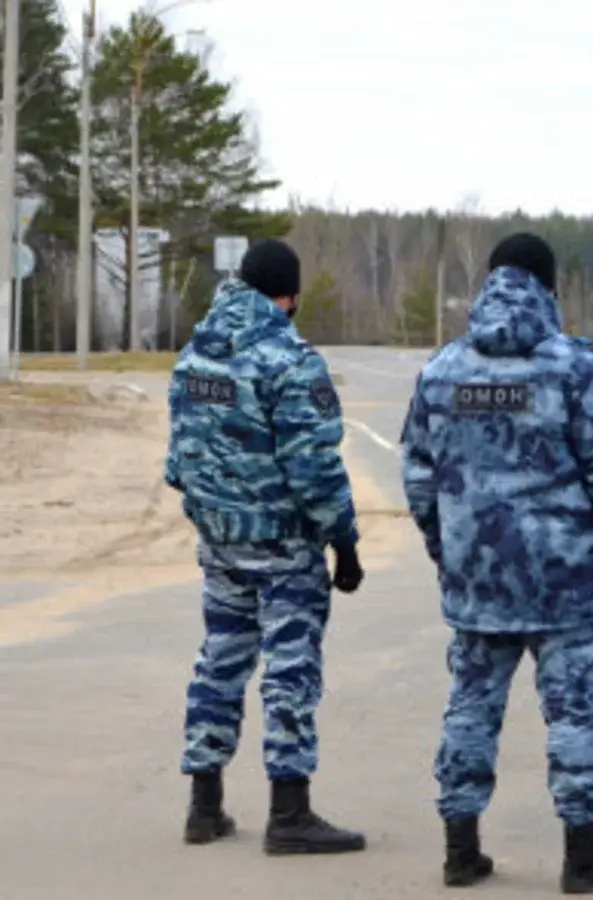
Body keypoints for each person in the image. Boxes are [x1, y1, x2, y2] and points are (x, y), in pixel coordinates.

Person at [401, 232, 593, 893]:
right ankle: (582, 855)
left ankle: (461, 851)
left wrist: (446, 548)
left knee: (470, 708)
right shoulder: (579, 367)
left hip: (477, 577)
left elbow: (419, 477)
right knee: (572, 713)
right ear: (550, 288)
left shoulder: (442, 369)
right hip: (564, 579)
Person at [164, 238, 367, 855]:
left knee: (219, 663)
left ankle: (204, 806)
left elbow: (178, 461)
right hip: (282, 547)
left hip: (220, 542)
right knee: (289, 670)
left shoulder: (196, 352)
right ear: (290, 295)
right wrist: (344, 541)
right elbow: (313, 467)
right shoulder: (289, 359)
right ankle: (289, 812)